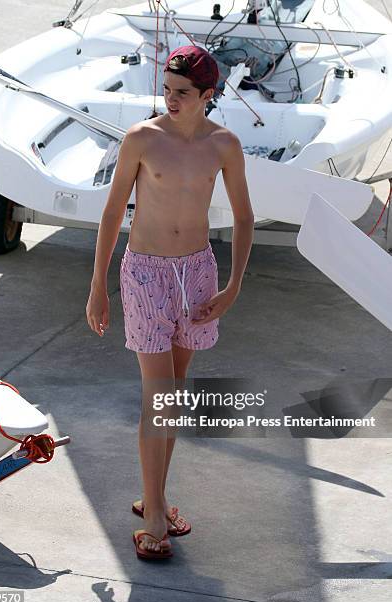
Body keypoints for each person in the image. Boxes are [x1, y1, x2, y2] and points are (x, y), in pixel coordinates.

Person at [86, 45, 254, 560]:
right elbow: (114, 212)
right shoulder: (142, 138)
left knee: (174, 399)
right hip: (146, 275)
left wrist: (232, 287)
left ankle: (153, 496)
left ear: (208, 95)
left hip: (198, 275)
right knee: (157, 398)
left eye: (182, 92)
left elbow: (245, 218)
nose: (170, 99)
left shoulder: (224, 145)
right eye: (167, 89)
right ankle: (156, 514)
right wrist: (98, 285)